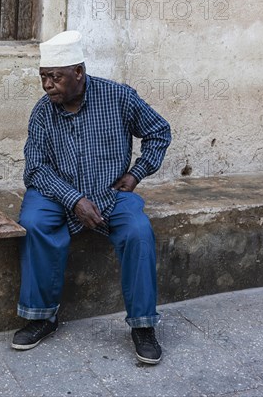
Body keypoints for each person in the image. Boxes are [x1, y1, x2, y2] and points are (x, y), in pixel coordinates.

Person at [11, 31, 172, 365]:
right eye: (43, 77)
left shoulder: (119, 97)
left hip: (110, 192)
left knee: (138, 231)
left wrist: (136, 173)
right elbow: (36, 169)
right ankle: (42, 317)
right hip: (56, 192)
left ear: (79, 73)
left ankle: (143, 325)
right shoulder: (42, 112)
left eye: (55, 77)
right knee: (34, 222)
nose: (47, 85)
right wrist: (74, 200)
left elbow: (159, 131)